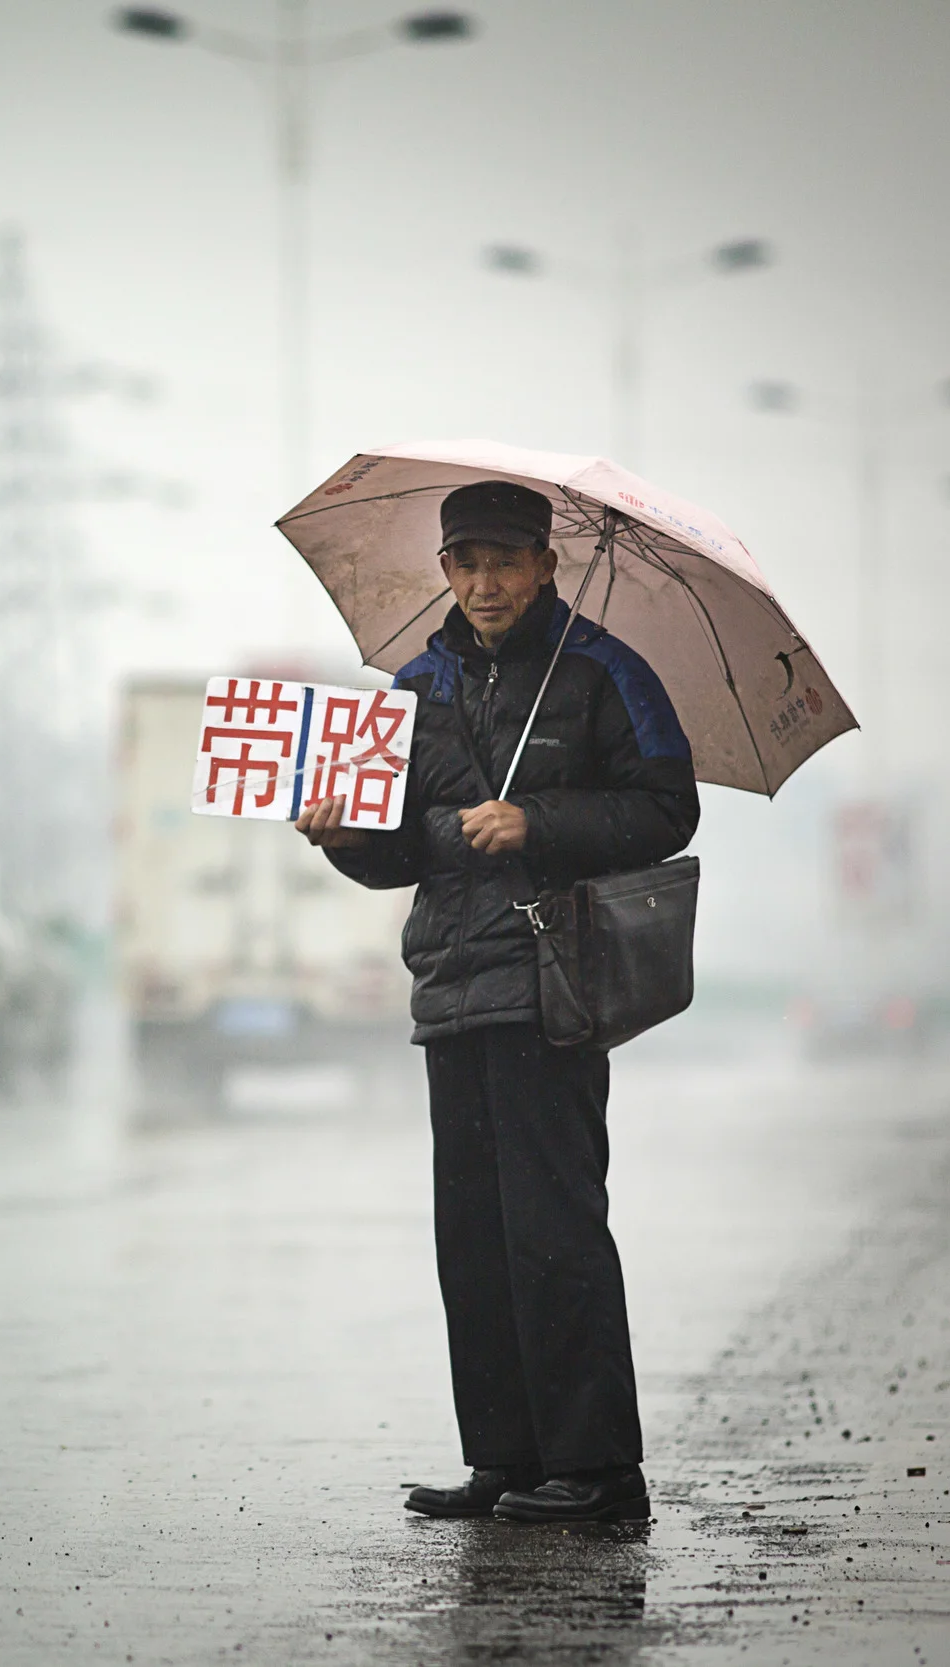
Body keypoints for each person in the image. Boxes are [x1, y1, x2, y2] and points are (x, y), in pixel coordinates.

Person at [295, 478, 698, 1524]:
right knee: (471, 1236)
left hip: (553, 983)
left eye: (505, 562)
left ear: (544, 566)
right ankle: (506, 1458)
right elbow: (391, 857)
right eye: (466, 563)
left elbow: (664, 808)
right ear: (443, 570)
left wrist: (538, 822)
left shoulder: (607, 673)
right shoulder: (411, 685)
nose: (484, 583)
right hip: (450, 986)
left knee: (553, 1227)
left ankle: (600, 1468)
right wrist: (344, 839)